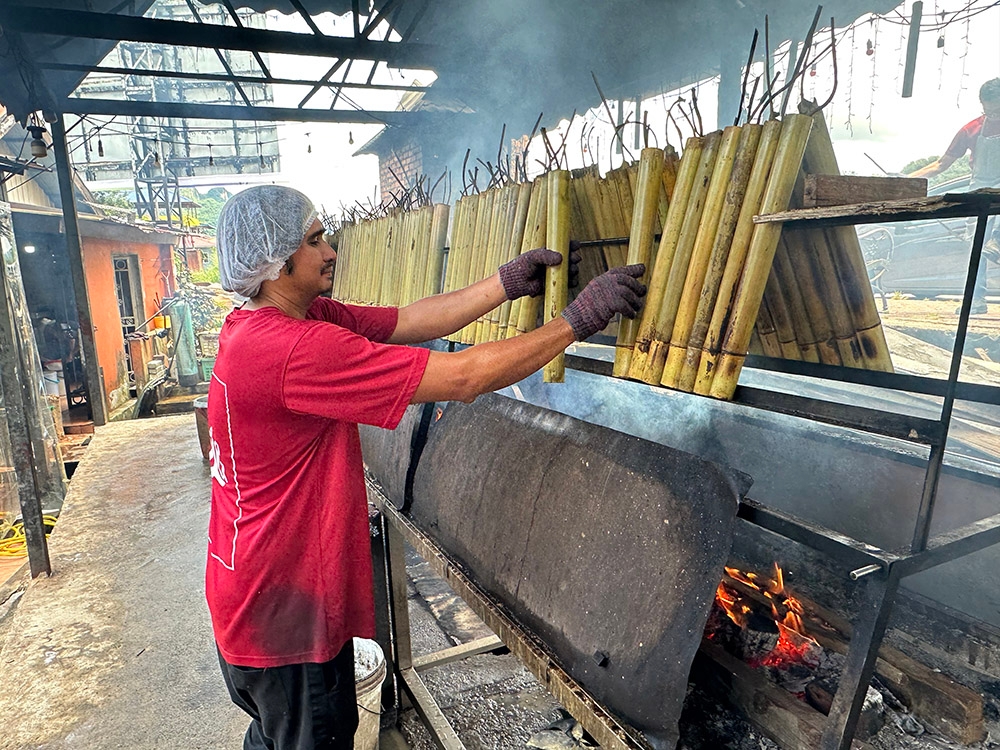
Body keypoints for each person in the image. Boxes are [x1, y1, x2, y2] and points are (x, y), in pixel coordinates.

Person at [206, 185, 645, 750]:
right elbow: (463, 379)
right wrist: (574, 322)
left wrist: (504, 285)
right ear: (274, 263)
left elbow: (405, 321)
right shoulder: (292, 348)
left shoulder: (267, 322)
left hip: (255, 594)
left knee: (274, 737)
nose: (332, 250)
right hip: (286, 618)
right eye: (315, 241)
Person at [909, 78, 1000, 315]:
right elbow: (941, 164)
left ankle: (998, 241)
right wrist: (907, 179)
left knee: (992, 239)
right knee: (976, 244)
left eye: (997, 110)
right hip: (979, 186)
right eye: (987, 110)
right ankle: (976, 300)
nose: (992, 115)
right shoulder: (971, 129)